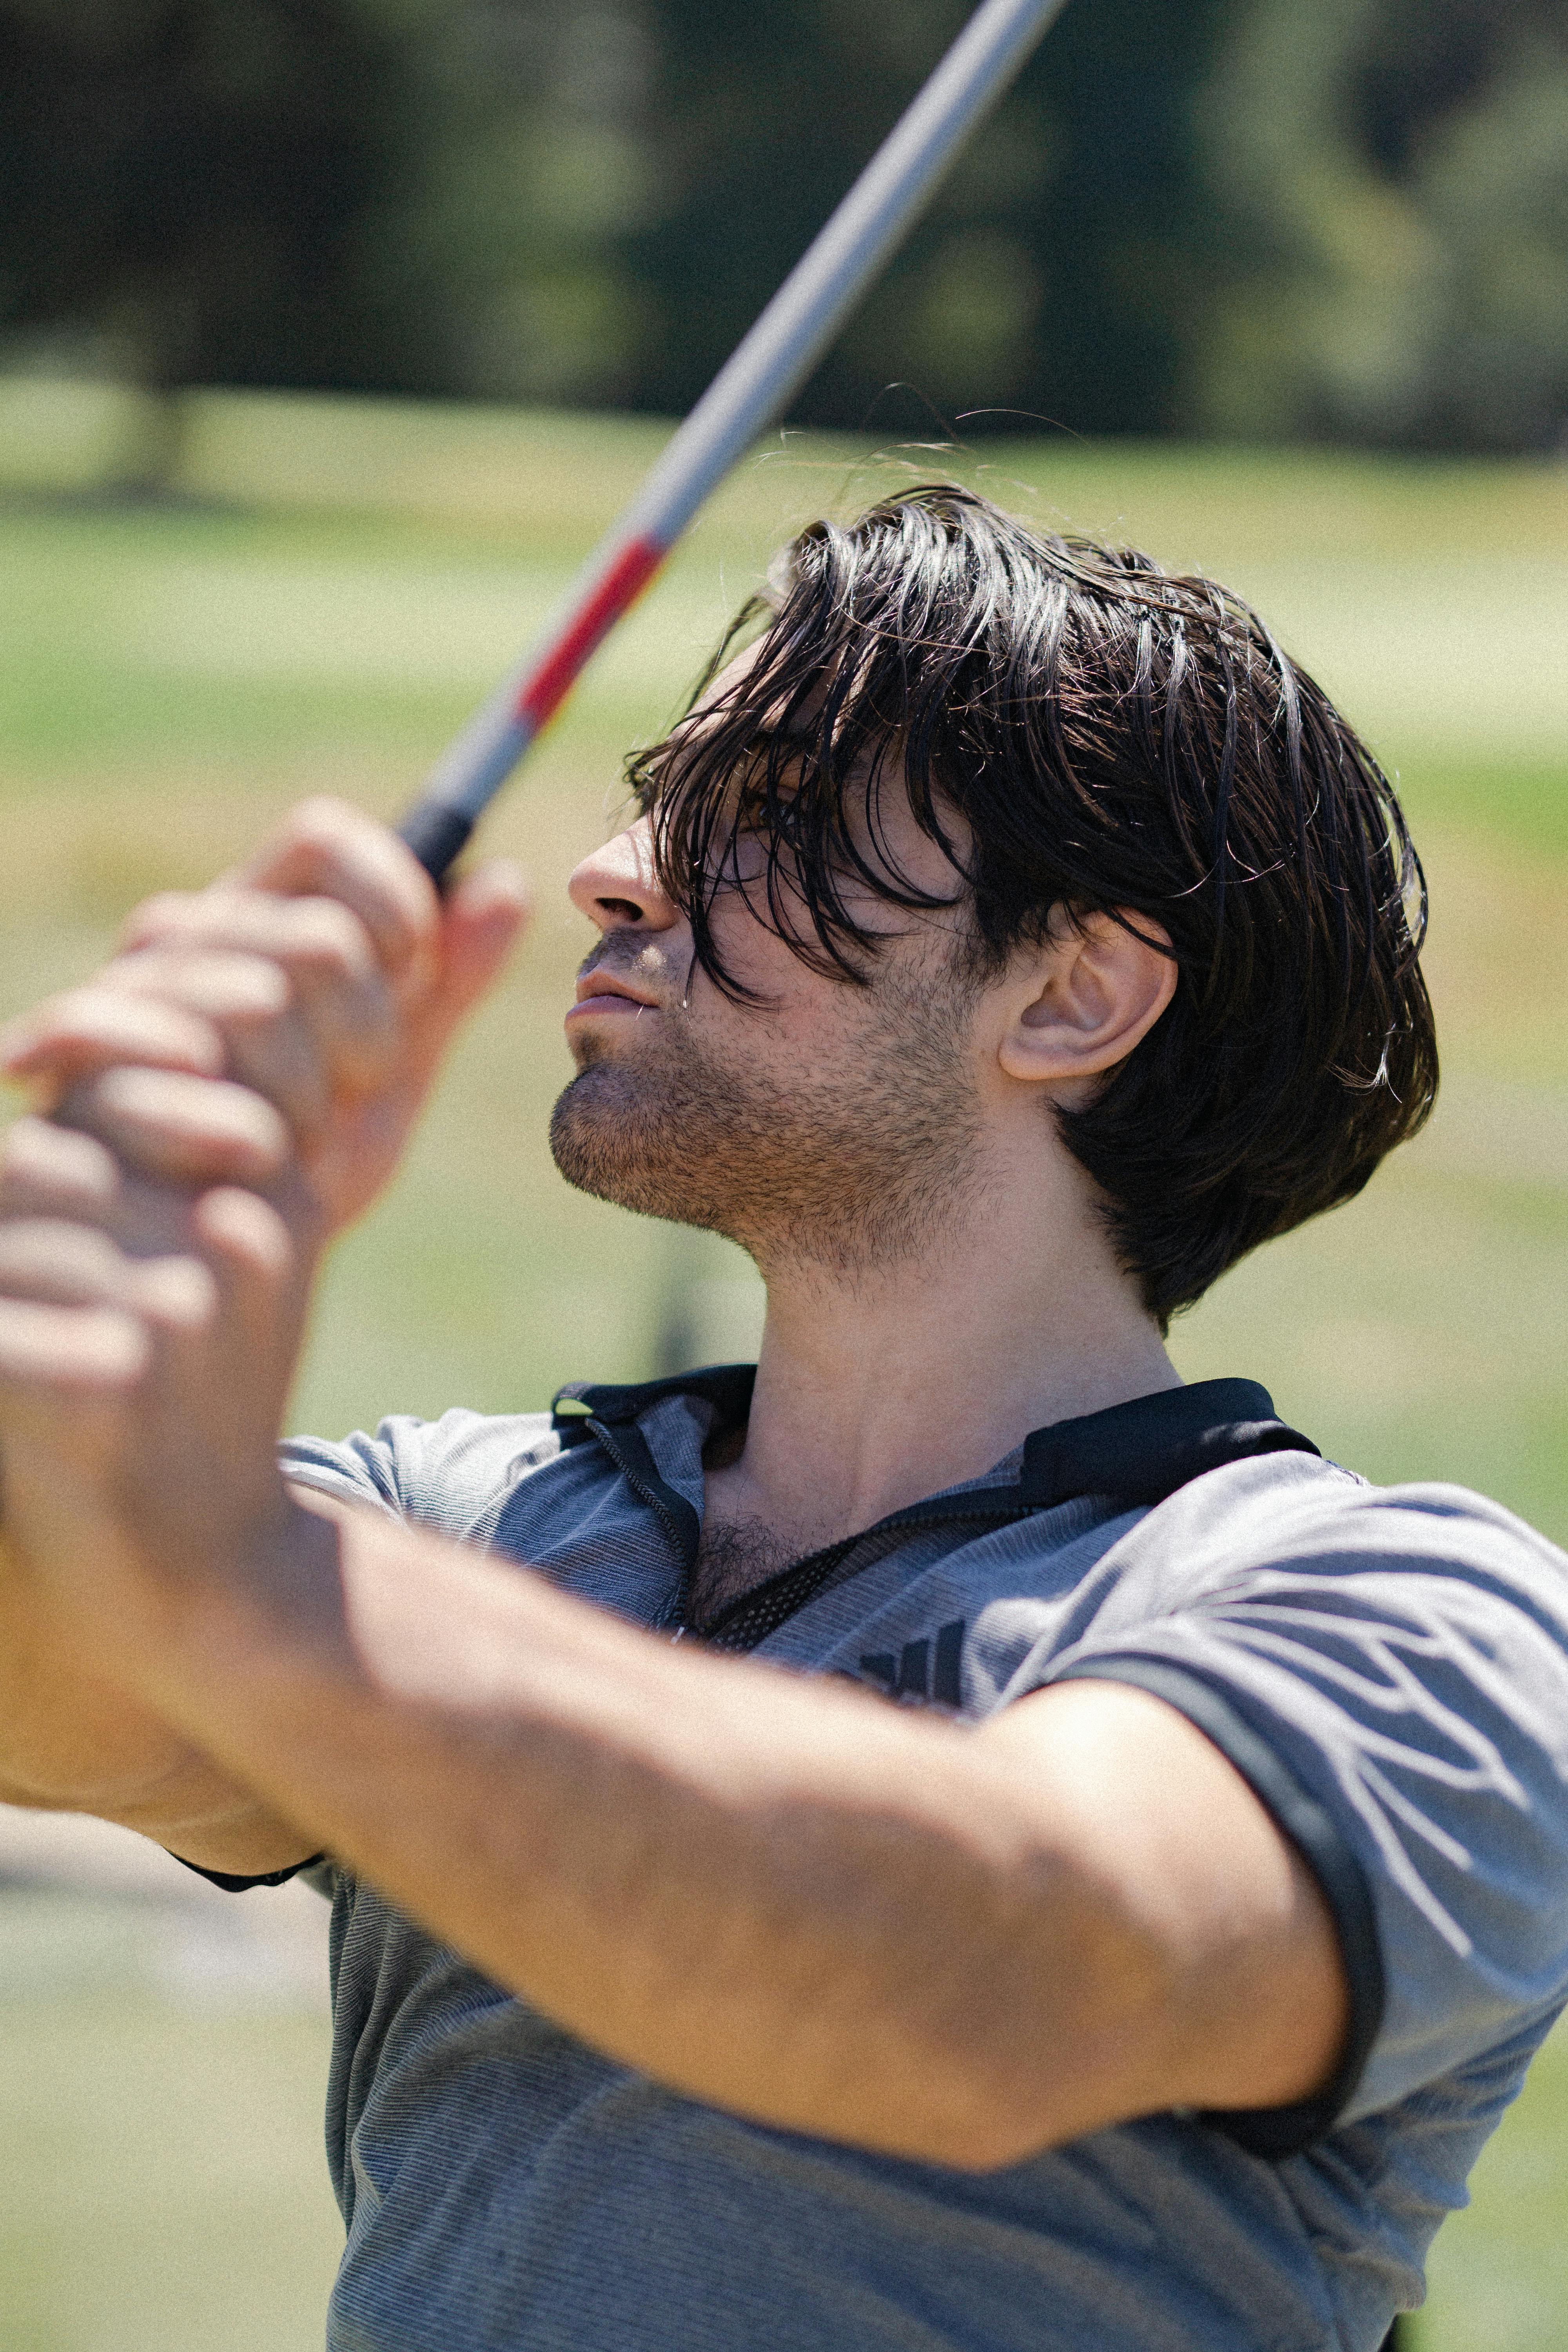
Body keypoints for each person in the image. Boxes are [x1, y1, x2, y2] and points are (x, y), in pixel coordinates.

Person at [0, 485, 1563, 2352]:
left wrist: (226, 1569)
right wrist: (52, 1378)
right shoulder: (474, 1527)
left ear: (1072, 992)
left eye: (766, 816)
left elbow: (1002, 1977)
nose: (611, 865)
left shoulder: (1419, 1620)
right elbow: (64, 1697)